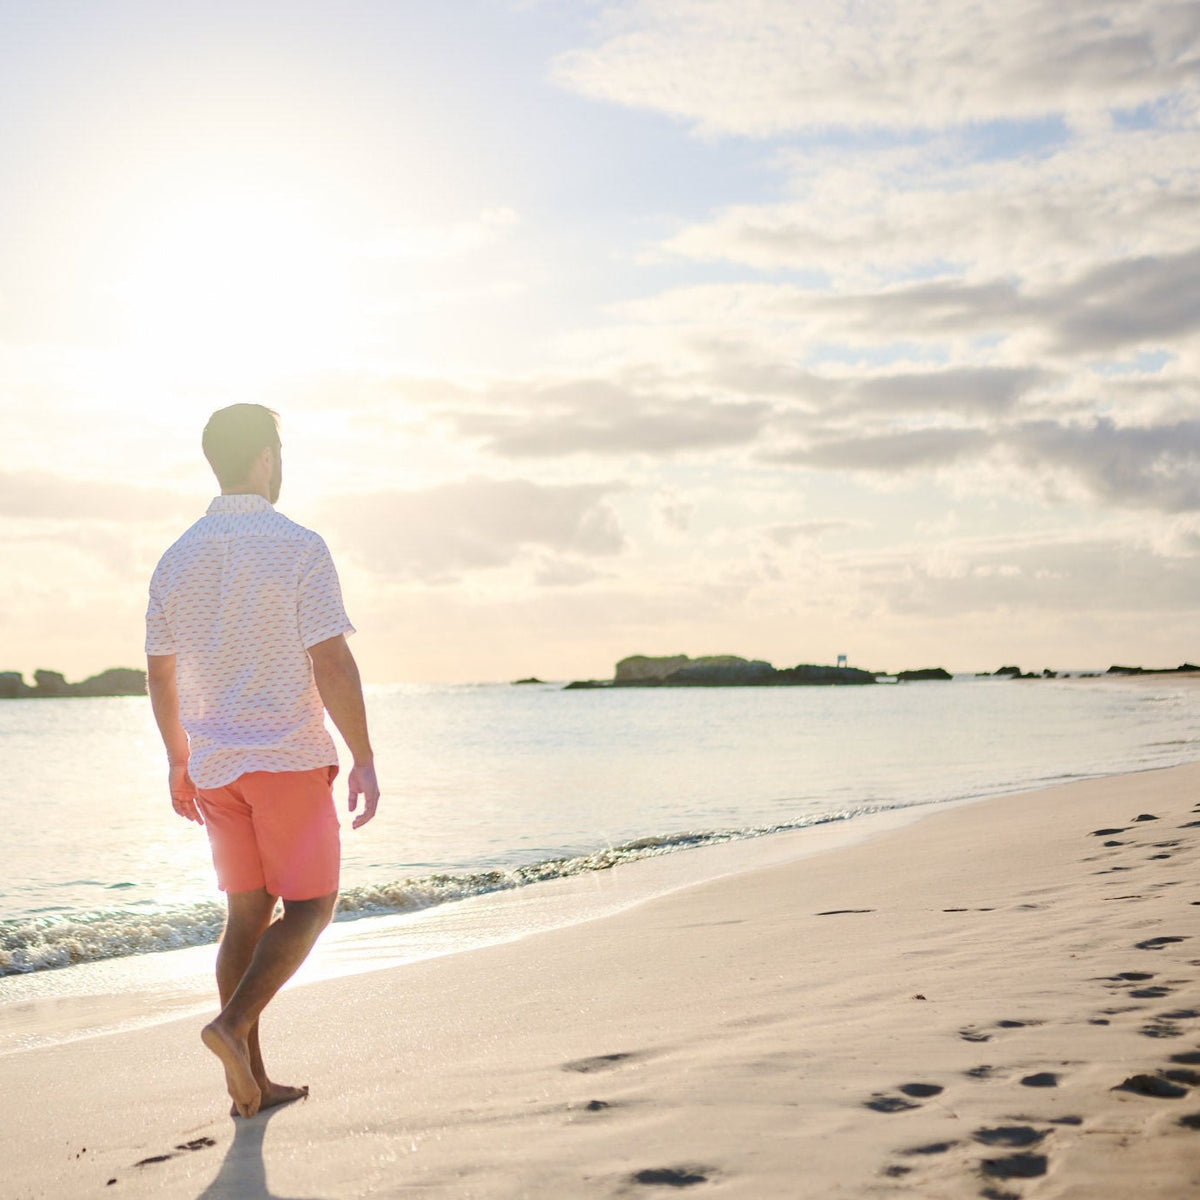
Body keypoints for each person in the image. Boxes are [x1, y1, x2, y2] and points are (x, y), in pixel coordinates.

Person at [145, 403, 379, 1118]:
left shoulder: (176, 557)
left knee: (245, 915)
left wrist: (177, 759)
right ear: (264, 460)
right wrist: (364, 755)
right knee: (310, 906)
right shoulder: (298, 546)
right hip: (286, 756)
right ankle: (231, 1027)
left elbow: (160, 674)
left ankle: (249, 1082)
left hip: (215, 764)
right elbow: (331, 660)